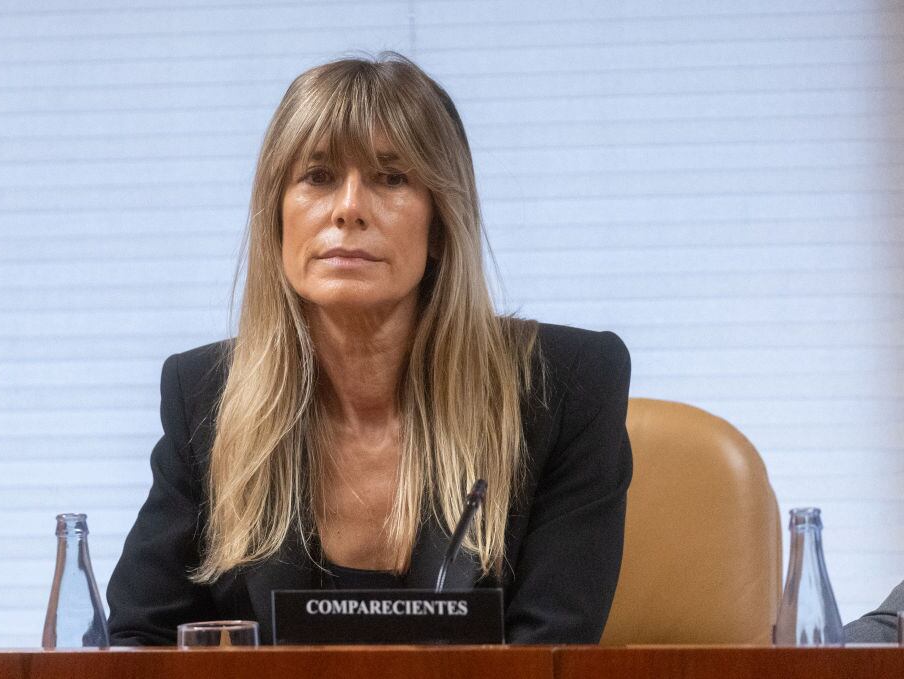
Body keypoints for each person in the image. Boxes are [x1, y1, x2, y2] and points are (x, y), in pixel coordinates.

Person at [106, 53, 632, 646]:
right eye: (318, 176)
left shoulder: (565, 386)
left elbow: (550, 652)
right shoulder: (205, 394)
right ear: (277, 218)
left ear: (441, 224)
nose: (349, 208)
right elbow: (140, 638)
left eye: (390, 178)